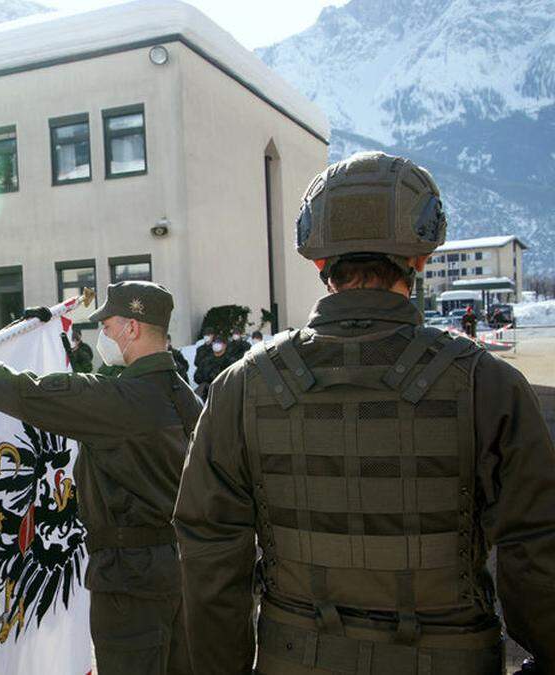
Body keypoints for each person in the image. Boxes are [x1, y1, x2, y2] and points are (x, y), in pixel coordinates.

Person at [173, 151, 555, 673]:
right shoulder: (488, 384)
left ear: (319, 262)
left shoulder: (240, 387)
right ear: (420, 258)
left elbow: (210, 554)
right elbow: (537, 550)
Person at [0, 282, 202, 674]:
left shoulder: (116, 402)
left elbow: (27, 393)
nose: (102, 335)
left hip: (130, 579)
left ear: (132, 329)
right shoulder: (184, 395)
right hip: (184, 571)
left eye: (107, 327)